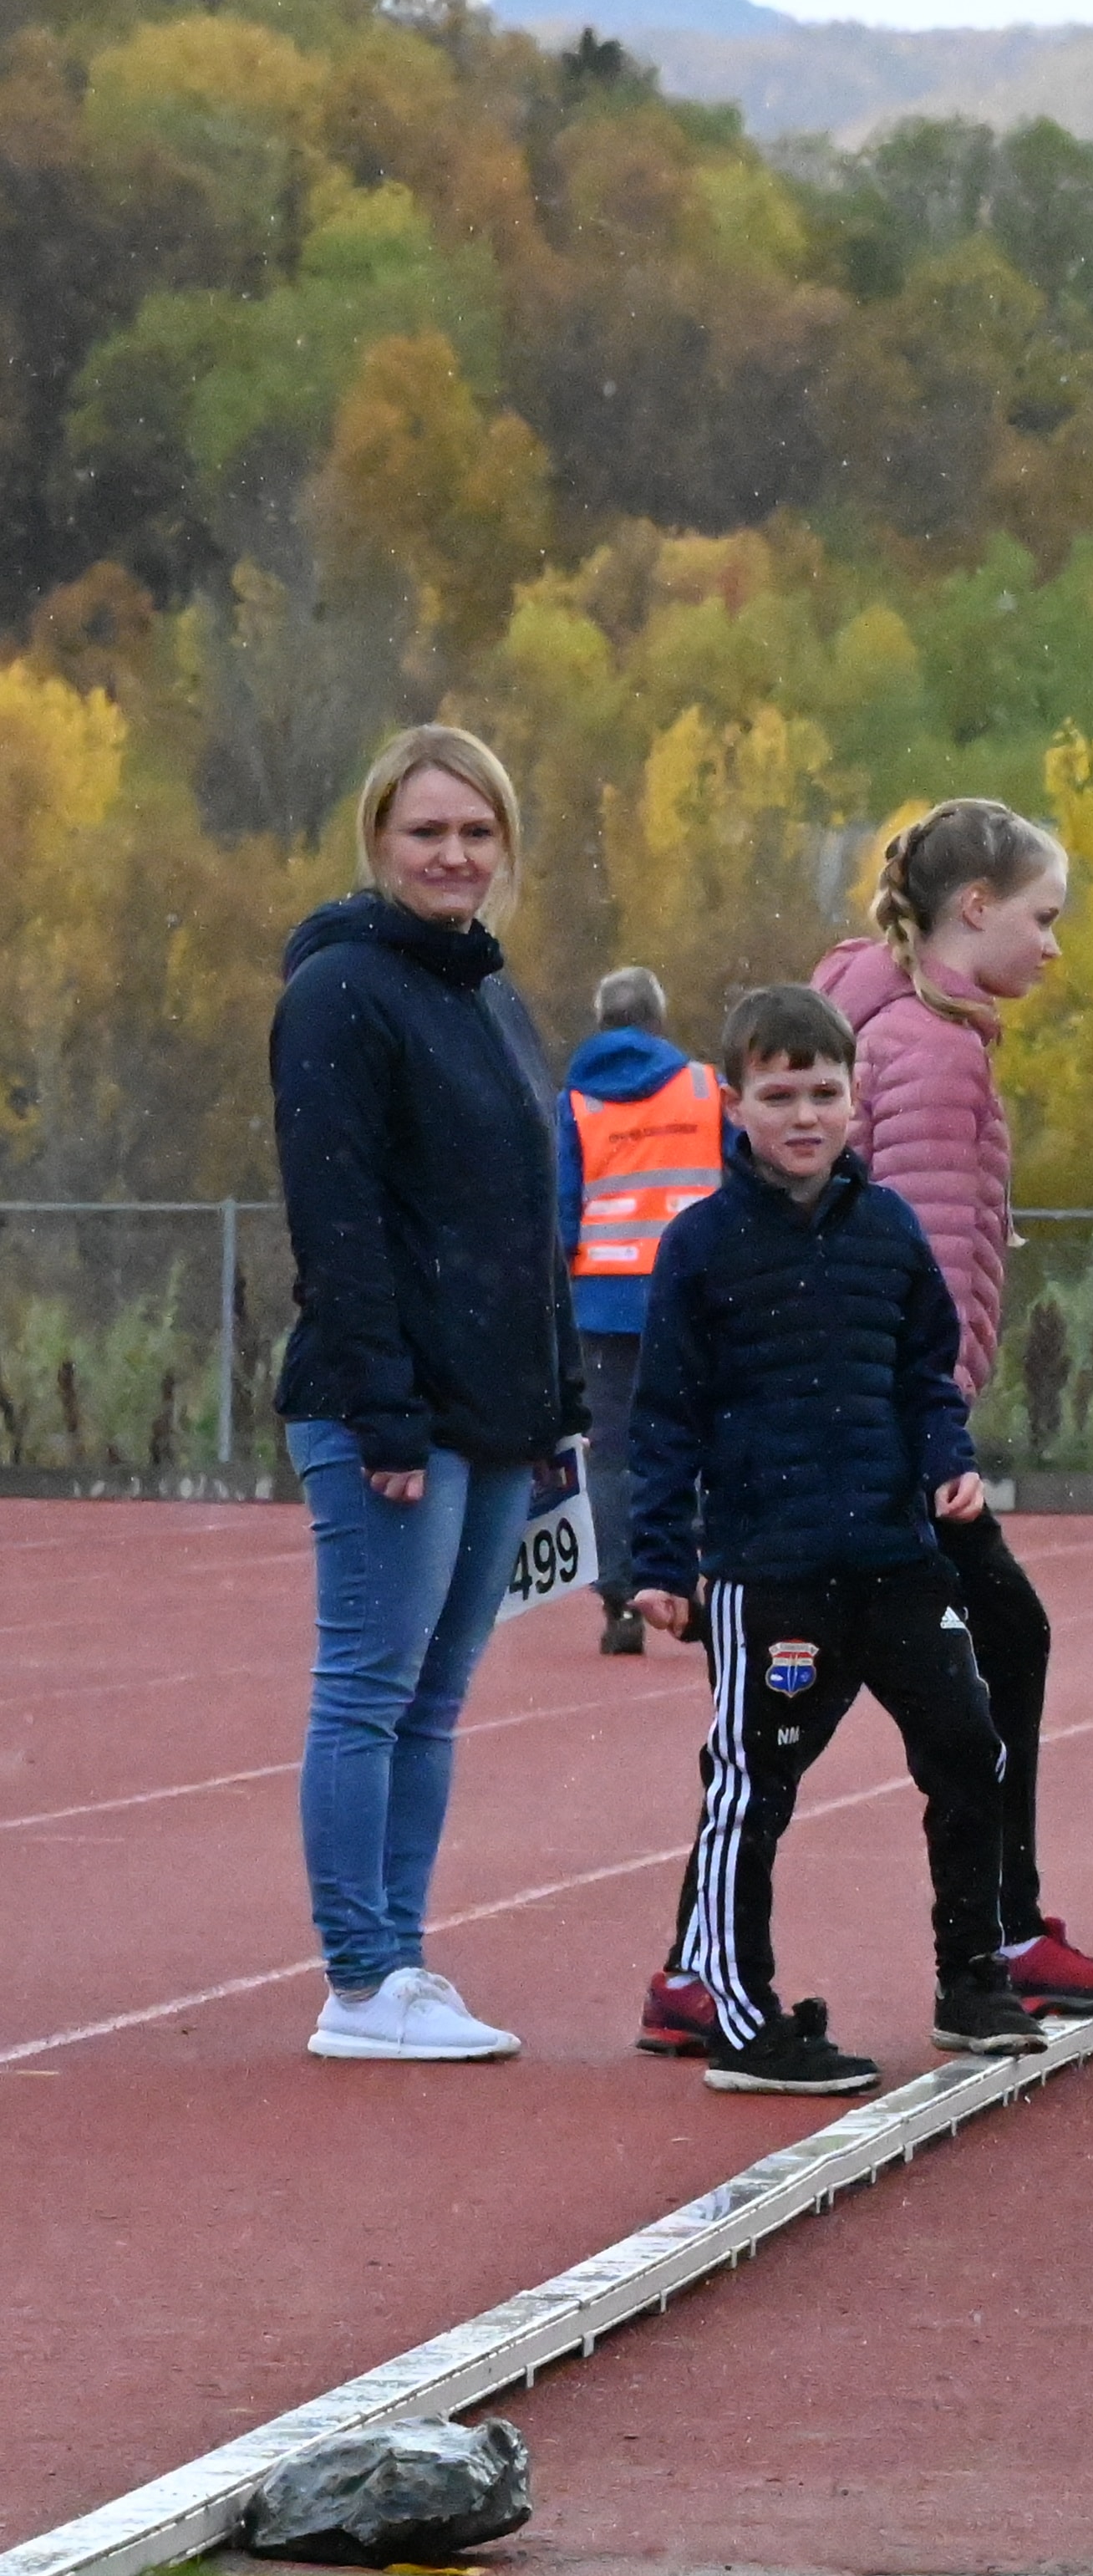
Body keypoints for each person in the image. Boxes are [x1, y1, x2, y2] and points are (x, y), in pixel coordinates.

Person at [628, 801, 1093, 2056]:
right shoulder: (922, 1051)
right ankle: (973, 1939)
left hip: (894, 1450)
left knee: (884, 1710)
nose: (1054, 945)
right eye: (1044, 918)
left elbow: (910, 1258)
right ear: (973, 910)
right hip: (865, 1468)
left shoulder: (923, 1029)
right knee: (849, 1711)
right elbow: (901, 1257)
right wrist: (933, 1440)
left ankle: (735, 1964)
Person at [608, 985, 1039, 2100]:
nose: (805, 1115)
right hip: (772, 1574)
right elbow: (662, 1420)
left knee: (967, 1744)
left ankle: (972, 1976)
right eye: (780, 1094)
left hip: (894, 1559)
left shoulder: (889, 1230)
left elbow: (923, 1374)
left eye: (825, 1092)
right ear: (733, 1103)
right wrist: (657, 1562)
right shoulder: (700, 1249)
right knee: (754, 1788)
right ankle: (744, 2020)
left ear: (855, 1099)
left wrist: (947, 1458)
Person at [271, 725, 581, 2064]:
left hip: (497, 1412)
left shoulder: (488, 997)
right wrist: (386, 1412)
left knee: (436, 1700)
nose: (455, 855)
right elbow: (336, 1219)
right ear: (379, 842)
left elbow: (529, 1216)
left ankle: (401, 1956)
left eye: (477, 833)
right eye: (428, 832)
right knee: (368, 1688)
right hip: (390, 1411)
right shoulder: (343, 991)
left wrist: (560, 1405)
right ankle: (358, 1979)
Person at [562, 966, 716, 1657]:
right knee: (705, 1439)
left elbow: (561, 1212)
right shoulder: (706, 1089)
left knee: (612, 1454)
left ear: (602, 1020)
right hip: (697, 1295)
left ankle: (621, 1598)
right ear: (658, 1018)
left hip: (606, 1301)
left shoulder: (574, 1102)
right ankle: (704, 1576)